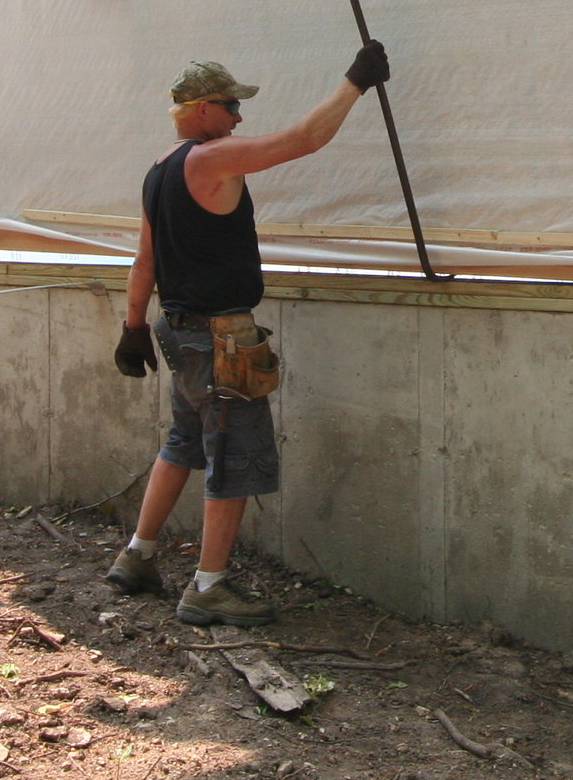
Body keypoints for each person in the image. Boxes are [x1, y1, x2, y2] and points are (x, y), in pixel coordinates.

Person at [105, 47, 390, 626]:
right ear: (204, 109)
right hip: (219, 339)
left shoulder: (159, 169)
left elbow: (143, 259)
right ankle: (208, 588)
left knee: (182, 442)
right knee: (231, 455)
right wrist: (354, 83)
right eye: (232, 106)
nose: (239, 118)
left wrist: (133, 327)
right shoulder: (213, 160)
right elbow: (305, 139)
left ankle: (138, 555)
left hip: (177, 330)